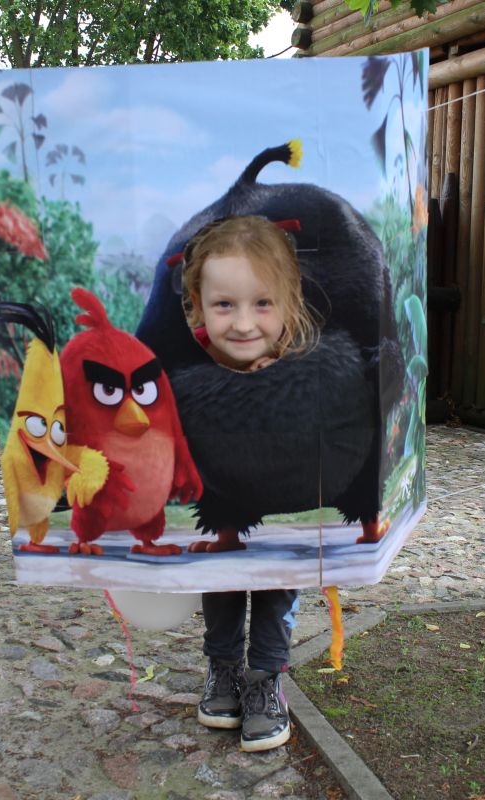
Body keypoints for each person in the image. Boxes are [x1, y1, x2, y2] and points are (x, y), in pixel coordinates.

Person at [178, 215, 319, 751]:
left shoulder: (302, 364)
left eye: (262, 303)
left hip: (279, 499)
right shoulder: (185, 357)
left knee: (277, 580)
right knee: (221, 576)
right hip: (220, 502)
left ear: (288, 303)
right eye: (224, 305)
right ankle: (222, 669)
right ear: (198, 304)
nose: (243, 323)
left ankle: (265, 678)